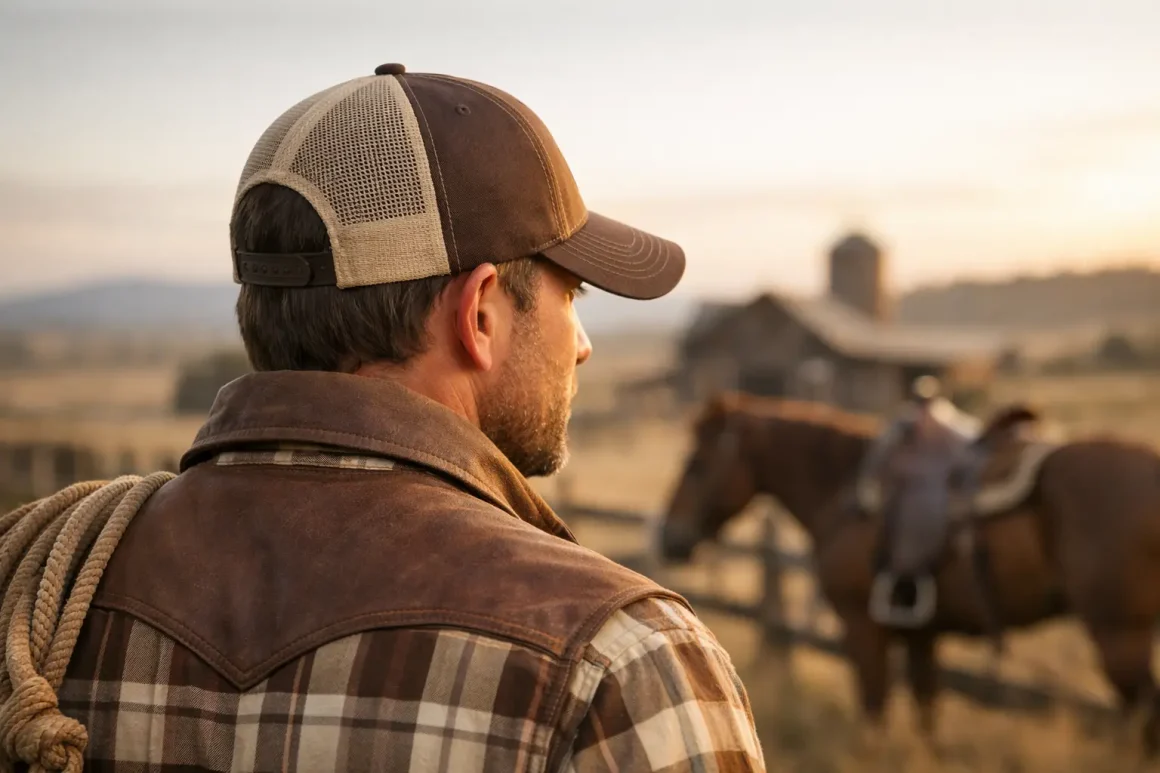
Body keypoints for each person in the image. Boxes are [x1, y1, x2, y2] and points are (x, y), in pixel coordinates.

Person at [1, 64, 765, 771]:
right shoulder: (618, 666)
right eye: (574, 296)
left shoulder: (33, 591)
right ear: (481, 314)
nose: (585, 345)